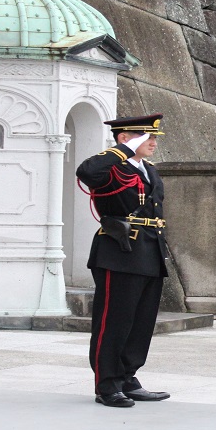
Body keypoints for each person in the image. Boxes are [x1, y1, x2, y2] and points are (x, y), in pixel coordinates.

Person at [76, 113, 171, 408]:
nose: (153, 142)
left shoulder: (149, 170)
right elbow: (85, 172)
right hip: (119, 252)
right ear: (125, 138)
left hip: (149, 251)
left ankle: (128, 377)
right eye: (147, 137)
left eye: (154, 137)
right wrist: (124, 150)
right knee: (114, 322)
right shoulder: (112, 168)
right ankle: (107, 385)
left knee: (141, 322)